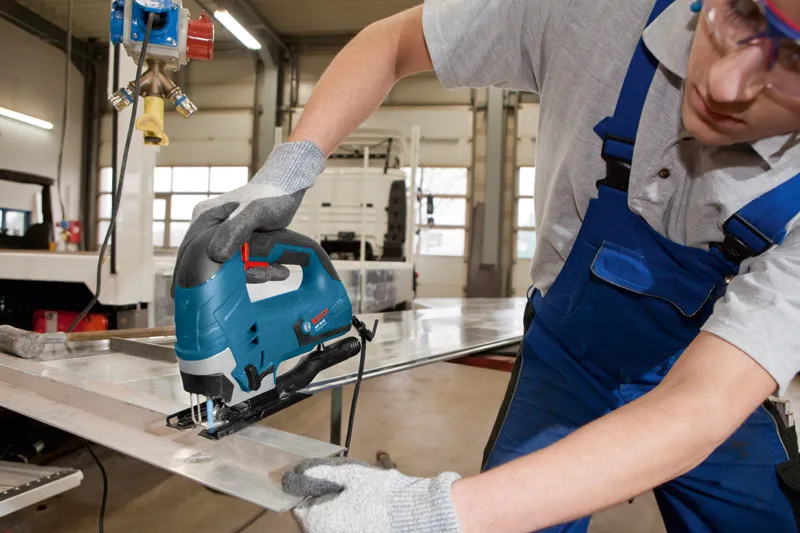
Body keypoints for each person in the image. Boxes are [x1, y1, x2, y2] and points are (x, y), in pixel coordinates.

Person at [177, 0, 800, 530]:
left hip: (709, 374)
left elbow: (697, 409)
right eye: (741, 11)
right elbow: (392, 42)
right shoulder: (591, 15)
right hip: (566, 360)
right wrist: (292, 165)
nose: (727, 84)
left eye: (795, 58)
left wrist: (427, 514)